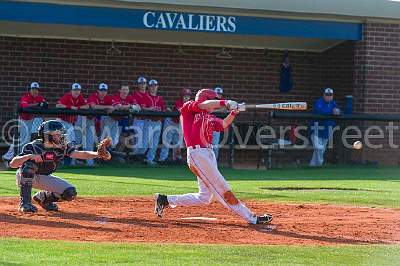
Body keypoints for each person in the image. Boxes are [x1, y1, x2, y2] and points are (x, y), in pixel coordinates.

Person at [154, 89, 272, 225]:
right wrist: (226, 103)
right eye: (214, 100)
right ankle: (252, 218)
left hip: (207, 155)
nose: (215, 105)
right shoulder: (189, 107)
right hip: (198, 155)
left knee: (204, 197)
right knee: (223, 188)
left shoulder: (209, 116)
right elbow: (206, 105)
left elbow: (223, 124)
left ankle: (164, 199)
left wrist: (234, 112)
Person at [9, 120, 109, 213]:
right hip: (26, 176)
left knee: (70, 193)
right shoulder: (32, 146)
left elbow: (79, 154)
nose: (60, 136)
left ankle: (43, 198)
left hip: (45, 177)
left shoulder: (62, 146)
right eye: (57, 134)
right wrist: (29, 156)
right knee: (29, 166)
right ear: (47, 136)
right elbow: (13, 164)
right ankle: (25, 203)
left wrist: (97, 154)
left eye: (60, 134)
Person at [2, 82, 47, 166]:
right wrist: (37, 104)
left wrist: (41, 105)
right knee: (23, 138)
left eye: (36, 90)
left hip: (32, 119)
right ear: (29, 90)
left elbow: (45, 105)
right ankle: (17, 157)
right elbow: (25, 106)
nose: (35, 91)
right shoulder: (25, 97)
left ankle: (8, 156)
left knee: (20, 137)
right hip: (23, 119)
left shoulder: (39, 97)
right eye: (33, 89)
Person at [309, 88, 341, 166]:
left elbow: (339, 111)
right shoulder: (319, 102)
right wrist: (332, 112)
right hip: (317, 131)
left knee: (320, 150)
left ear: (332, 96)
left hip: (327, 131)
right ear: (323, 95)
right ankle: (319, 164)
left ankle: (312, 166)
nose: (328, 97)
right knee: (318, 148)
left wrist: (338, 111)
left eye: (330, 95)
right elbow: (320, 111)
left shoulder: (333, 103)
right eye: (327, 95)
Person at [159, 88, 191, 164]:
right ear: (181, 96)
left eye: (188, 96)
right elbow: (182, 112)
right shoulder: (178, 102)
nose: (186, 98)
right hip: (171, 122)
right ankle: (162, 159)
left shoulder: (190, 104)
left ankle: (177, 158)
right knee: (167, 141)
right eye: (184, 96)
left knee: (178, 142)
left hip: (179, 124)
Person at [88, 83, 119, 149]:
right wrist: (108, 107)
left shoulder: (107, 98)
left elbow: (117, 106)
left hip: (98, 121)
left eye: (105, 91)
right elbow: (94, 107)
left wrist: (113, 107)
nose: (103, 92)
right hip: (87, 120)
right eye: (101, 90)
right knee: (86, 140)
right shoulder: (93, 96)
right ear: (98, 91)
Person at [143, 79, 166, 165]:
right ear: (148, 87)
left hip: (158, 122)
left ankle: (150, 159)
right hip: (149, 122)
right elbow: (142, 108)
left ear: (157, 87)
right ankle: (140, 158)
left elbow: (163, 109)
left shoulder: (160, 98)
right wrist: (150, 109)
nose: (153, 88)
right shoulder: (145, 96)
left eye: (155, 86)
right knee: (145, 142)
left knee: (155, 142)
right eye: (151, 86)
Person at [112, 83, 140, 152]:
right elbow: (119, 107)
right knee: (121, 141)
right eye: (123, 89)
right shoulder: (115, 97)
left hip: (128, 123)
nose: (125, 91)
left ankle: (130, 159)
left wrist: (126, 107)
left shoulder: (130, 98)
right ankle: (117, 157)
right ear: (119, 90)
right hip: (117, 123)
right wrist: (130, 107)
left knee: (132, 142)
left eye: (127, 89)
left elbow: (138, 108)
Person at [131, 76, 151, 158]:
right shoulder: (135, 94)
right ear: (138, 85)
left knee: (146, 140)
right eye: (141, 83)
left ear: (146, 85)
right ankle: (135, 157)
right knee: (138, 139)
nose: (142, 85)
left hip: (147, 120)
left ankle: (140, 156)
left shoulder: (148, 94)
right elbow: (137, 107)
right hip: (138, 120)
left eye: (144, 83)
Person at [212, 86, 224, 161]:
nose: (218, 95)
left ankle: (214, 162)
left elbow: (227, 109)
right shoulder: (210, 100)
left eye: (220, 94)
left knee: (215, 146)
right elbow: (211, 110)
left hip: (216, 127)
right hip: (206, 126)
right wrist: (221, 109)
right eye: (217, 94)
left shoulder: (223, 101)